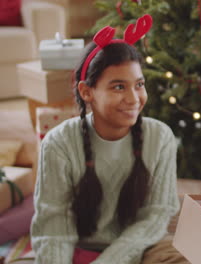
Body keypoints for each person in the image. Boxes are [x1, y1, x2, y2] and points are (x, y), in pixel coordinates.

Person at [31, 15, 188, 264]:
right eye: (118, 87)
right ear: (87, 92)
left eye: (139, 84)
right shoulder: (58, 143)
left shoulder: (160, 137)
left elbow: (156, 216)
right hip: (75, 248)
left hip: (141, 246)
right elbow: (54, 227)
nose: (134, 98)